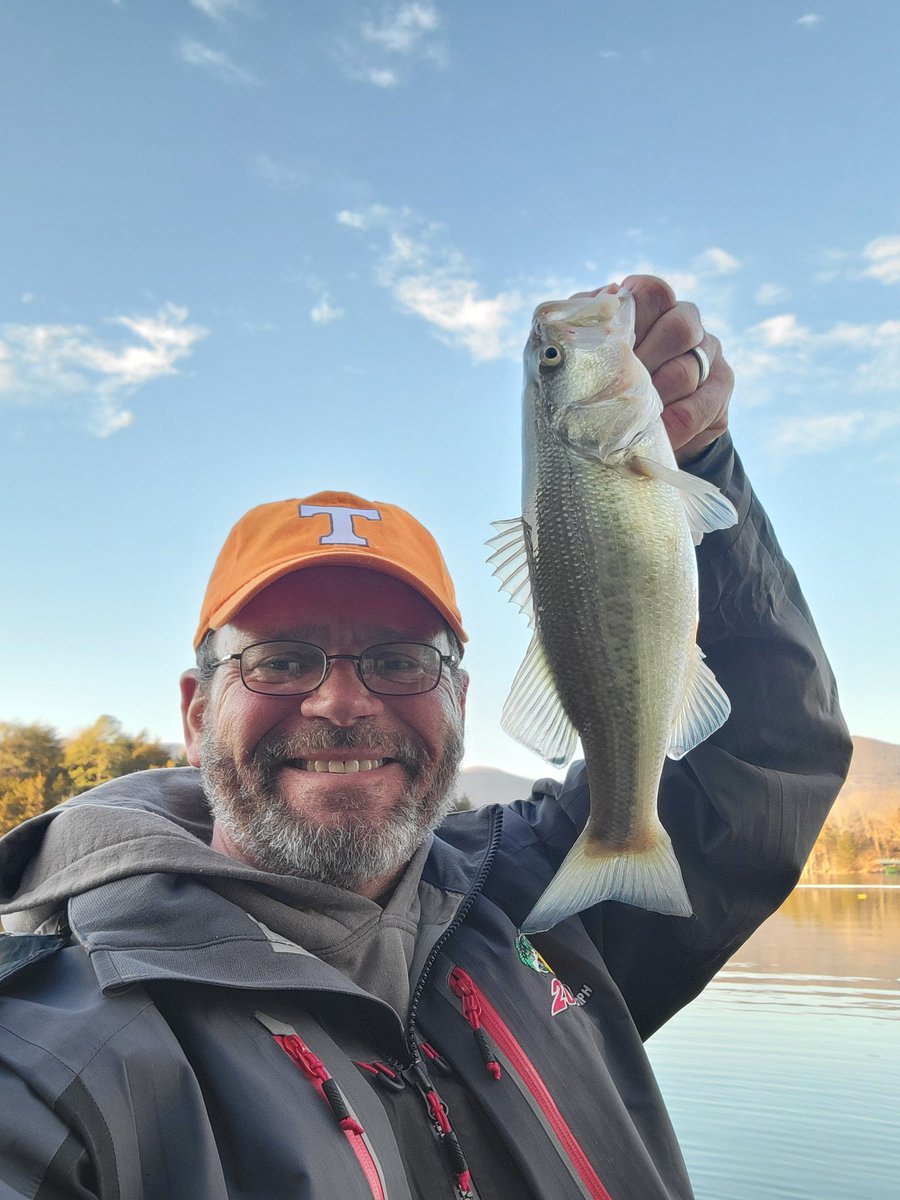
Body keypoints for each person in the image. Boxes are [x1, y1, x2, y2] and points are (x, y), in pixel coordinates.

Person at [0, 276, 851, 1200]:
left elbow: (764, 752)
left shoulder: (549, 906)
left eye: (400, 660)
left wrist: (704, 464)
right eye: (280, 661)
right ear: (199, 710)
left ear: (459, 700)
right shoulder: (55, 1054)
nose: (339, 703)